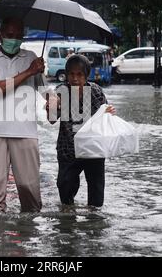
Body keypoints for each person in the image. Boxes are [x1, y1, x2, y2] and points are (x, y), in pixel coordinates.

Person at [0, 17, 46, 213]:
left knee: (30, 191)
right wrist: (28, 72)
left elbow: (45, 90)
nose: (14, 40)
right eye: (10, 35)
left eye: (19, 36)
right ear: (0, 35)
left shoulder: (32, 57)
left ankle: (30, 233)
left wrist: (54, 102)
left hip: (26, 131)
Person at [46, 54, 116, 210]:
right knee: (65, 188)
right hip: (68, 150)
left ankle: (93, 223)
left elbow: (104, 113)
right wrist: (51, 106)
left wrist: (109, 111)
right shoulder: (60, 92)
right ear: (66, 75)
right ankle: (68, 217)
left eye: (79, 74)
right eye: (71, 74)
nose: (75, 78)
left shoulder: (96, 91)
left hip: (93, 148)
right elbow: (51, 119)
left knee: (96, 196)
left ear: (87, 76)